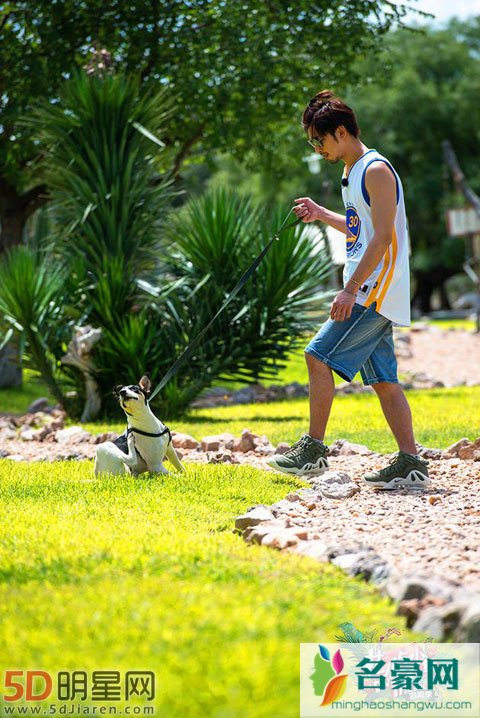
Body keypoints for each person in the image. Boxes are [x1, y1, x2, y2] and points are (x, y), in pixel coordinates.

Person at [267, 90, 430, 490]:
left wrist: (350, 290)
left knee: (316, 355)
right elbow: (363, 229)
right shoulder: (351, 170)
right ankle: (411, 463)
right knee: (385, 380)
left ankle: (313, 451)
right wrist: (322, 214)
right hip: (369, 288)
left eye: (318, 140)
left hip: (373, 290)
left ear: (340, 132)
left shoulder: (375, 169)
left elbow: (385, 238)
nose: (317, 148)